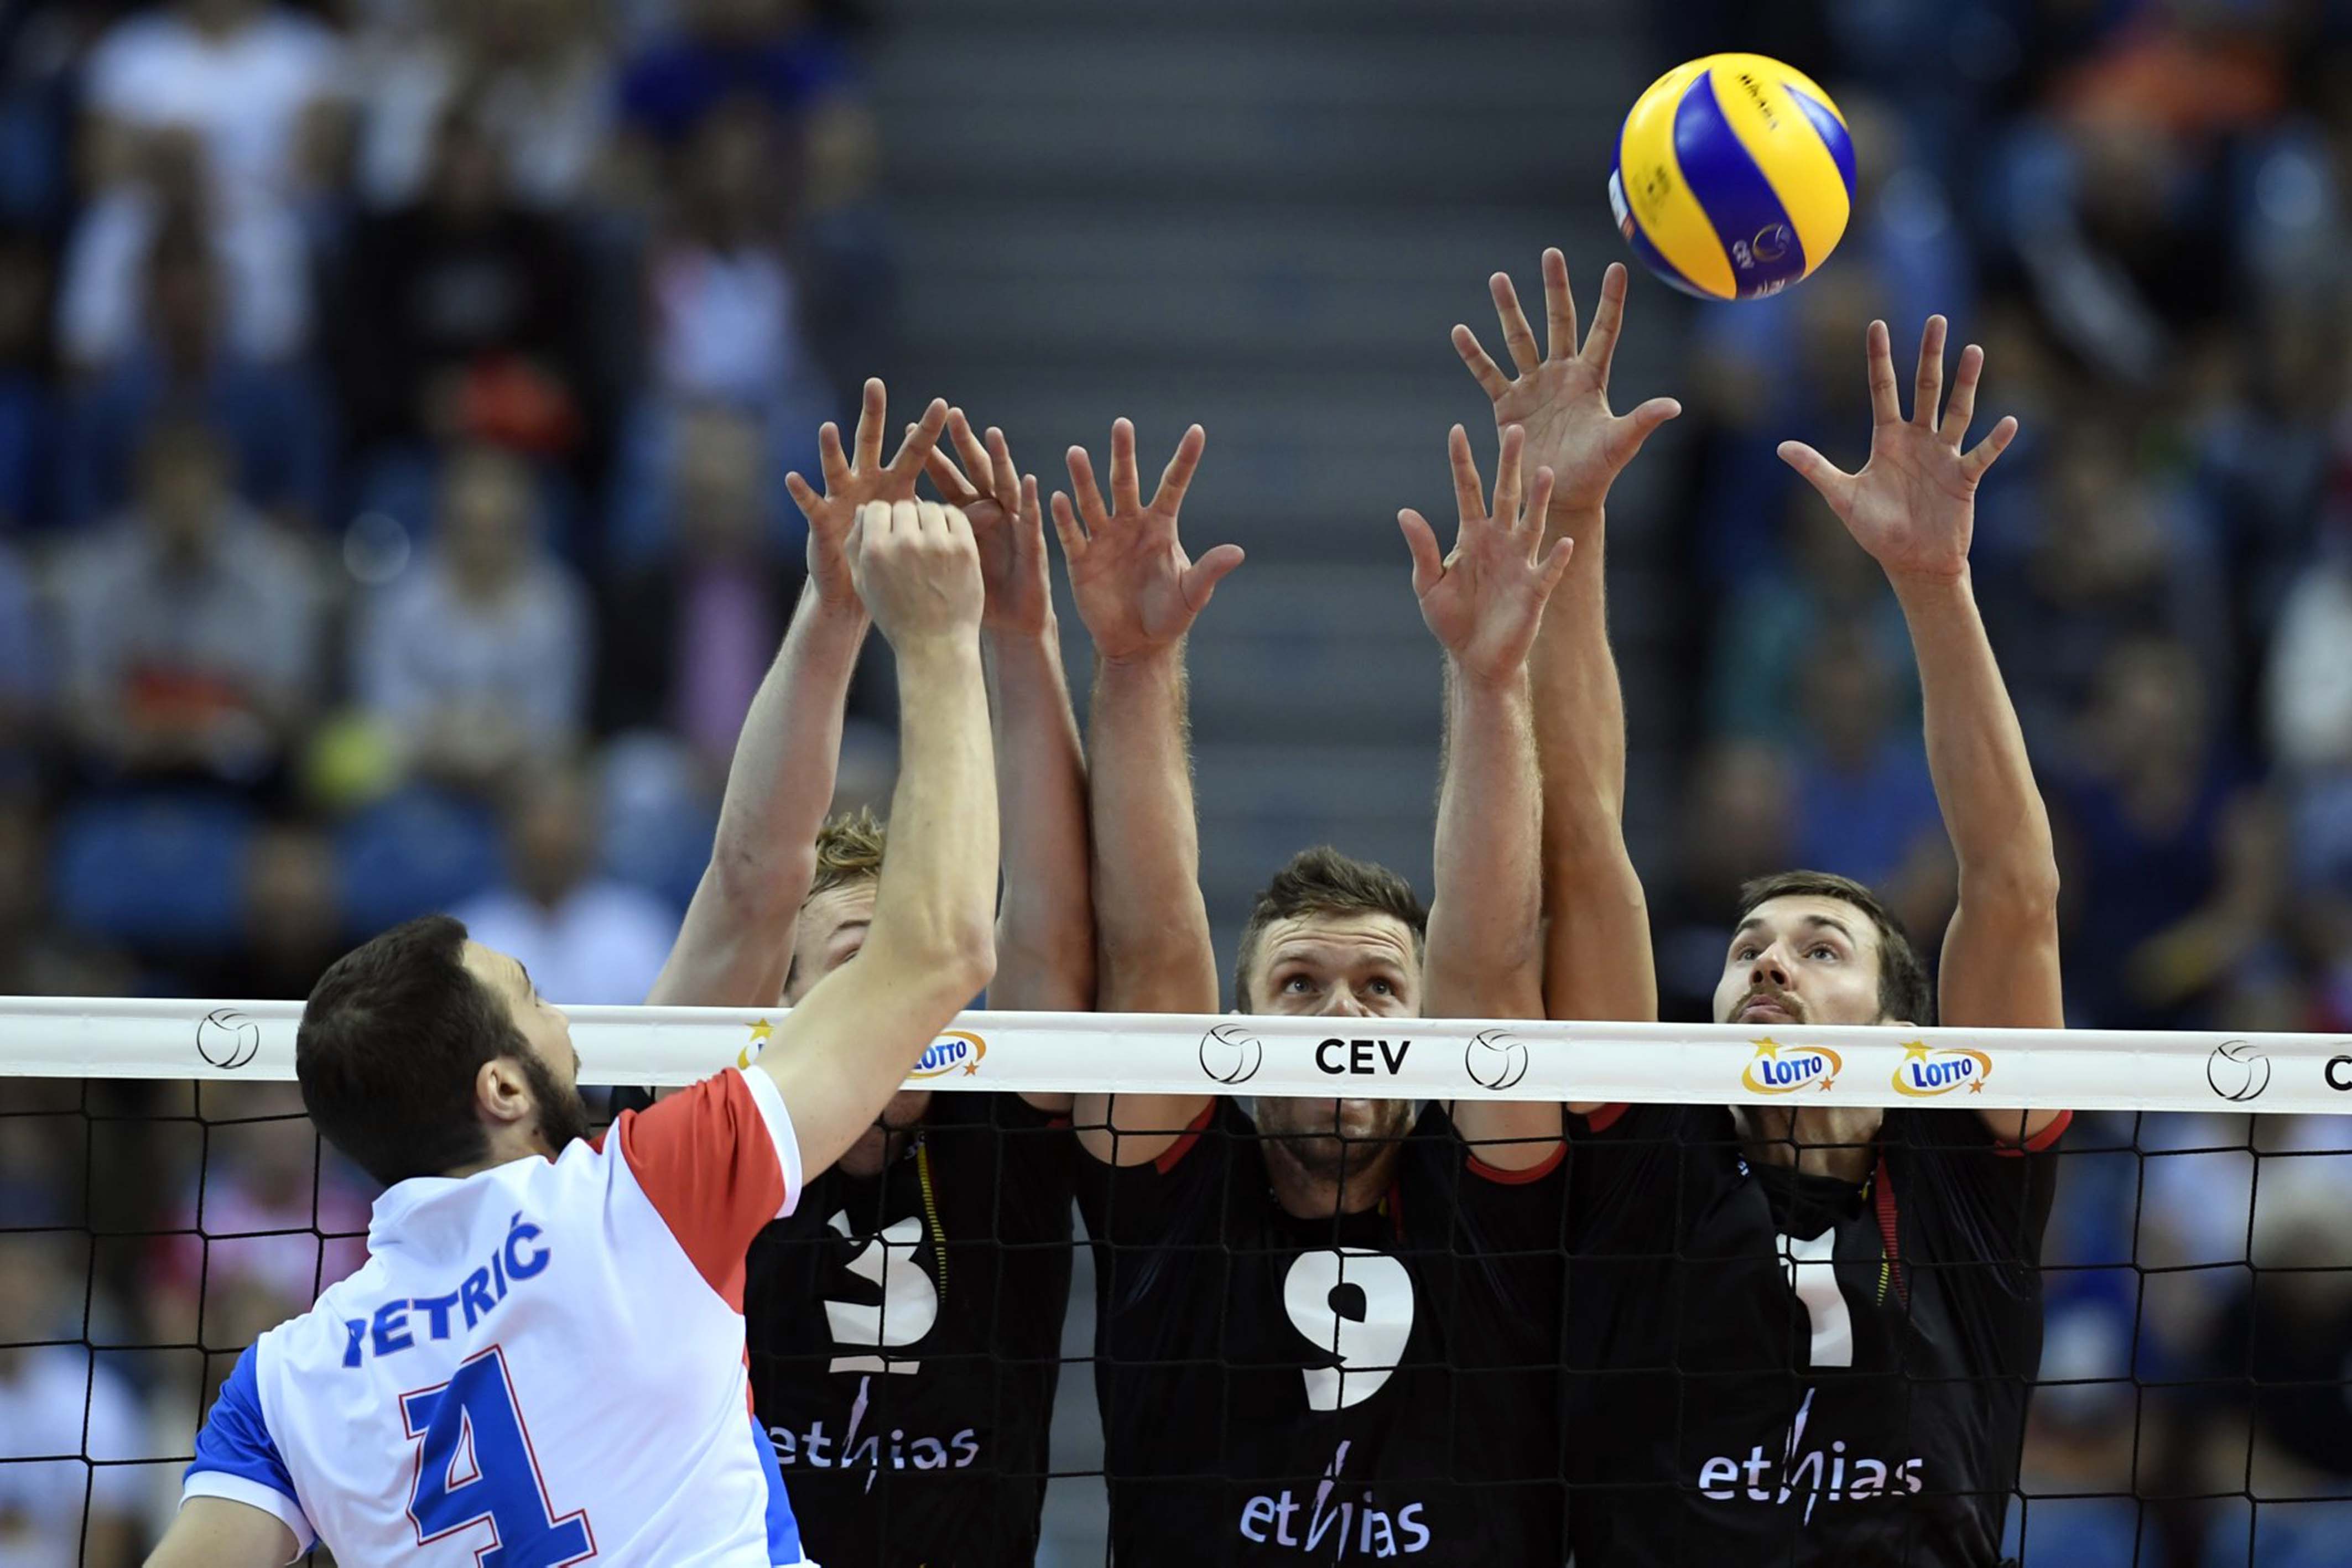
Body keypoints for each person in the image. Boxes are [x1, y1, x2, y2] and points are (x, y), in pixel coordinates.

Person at [144, 493, 1000, 1567]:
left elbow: (747, 891)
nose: (569, 1016)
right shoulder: (641, 1198)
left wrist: (830, 606)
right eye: (532, 994)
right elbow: (941, 951)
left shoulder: (283, 1380)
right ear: (500, 1087)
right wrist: (937, 635)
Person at [1544, 312, 2068, 1565]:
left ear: (1900, 1030)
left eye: (1820, 947)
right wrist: (1570, 522)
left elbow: (2009, 886)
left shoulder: (1962, 1178)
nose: (1766, 961)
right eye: (1746, 948)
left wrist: (1931, 583)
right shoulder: (1647, 1153)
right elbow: (1585, 857)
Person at [1061, 416, 1574, 1561]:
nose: (1342, 1015)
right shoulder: (1178, 1206)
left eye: (1380, 987)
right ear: (1232, 1034)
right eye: (1299, 983)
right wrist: (1135, 661)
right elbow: (1150, 946)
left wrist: (1487, 679)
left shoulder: (1488, 1201)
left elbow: (1488, 963)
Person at [637, 383, 1093, 1564]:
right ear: (773, 1012)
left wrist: (1018, 632)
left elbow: (1042, 923)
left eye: (906, 962)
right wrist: (833, 604)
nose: (888, 976)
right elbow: (747, 884)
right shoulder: (708, 1142)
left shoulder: (1004, 1137)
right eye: (848, 960)